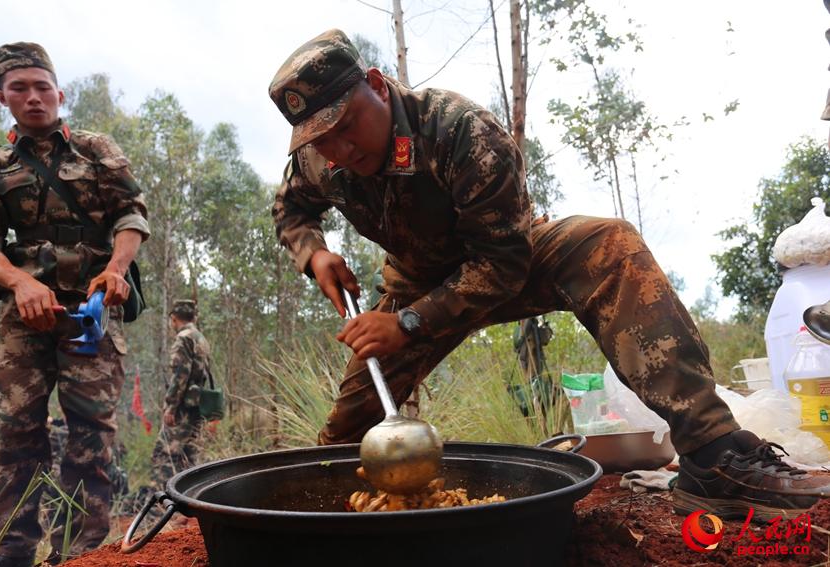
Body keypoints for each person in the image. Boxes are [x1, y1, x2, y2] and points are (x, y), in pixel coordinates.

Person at [270, 29, 830, 521]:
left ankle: (714, 456)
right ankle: (340, 514)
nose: (342, 149)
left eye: (348, 126)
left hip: (510, 256)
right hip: (415, 281)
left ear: (377, 84)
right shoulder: (322, 158)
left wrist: (411, 323)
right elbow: (291, 209)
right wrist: (313, 251)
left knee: (609, 244)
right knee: (345, 439)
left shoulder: (460, 130)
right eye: (322, 139)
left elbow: (502, 264)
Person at [0, 43, 149, 566]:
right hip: (26, 316)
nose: (33, 98)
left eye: (41, 86)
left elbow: (131, 216)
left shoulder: (97, 150)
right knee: (14, 438)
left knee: (90, 441)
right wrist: (19, 283)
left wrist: (115, 272)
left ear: (59, 92)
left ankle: (81, 558)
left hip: (92, 312)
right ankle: (9, 555)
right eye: (19, 88)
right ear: (2, 96)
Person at [150, 300, 212, 487]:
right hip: (198, 406)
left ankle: (162, 508)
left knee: (164, 456)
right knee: (190, 457)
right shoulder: (200, 338)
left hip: (183, 409)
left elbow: (180, 375)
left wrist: (170, 407)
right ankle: (192, 504)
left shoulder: (183, 337)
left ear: (173, 318)